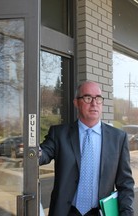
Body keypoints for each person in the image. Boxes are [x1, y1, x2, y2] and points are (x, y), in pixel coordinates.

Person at [39, 81, 134, 216]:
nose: (94, 103)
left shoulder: (118, 138)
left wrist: (126, 213)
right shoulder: (59, 134)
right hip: (67, 212)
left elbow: (125, 183)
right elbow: (42, 155)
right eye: (88, 98)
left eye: (98, 98)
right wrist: (32, 150)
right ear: (76, 103)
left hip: (101, 212)